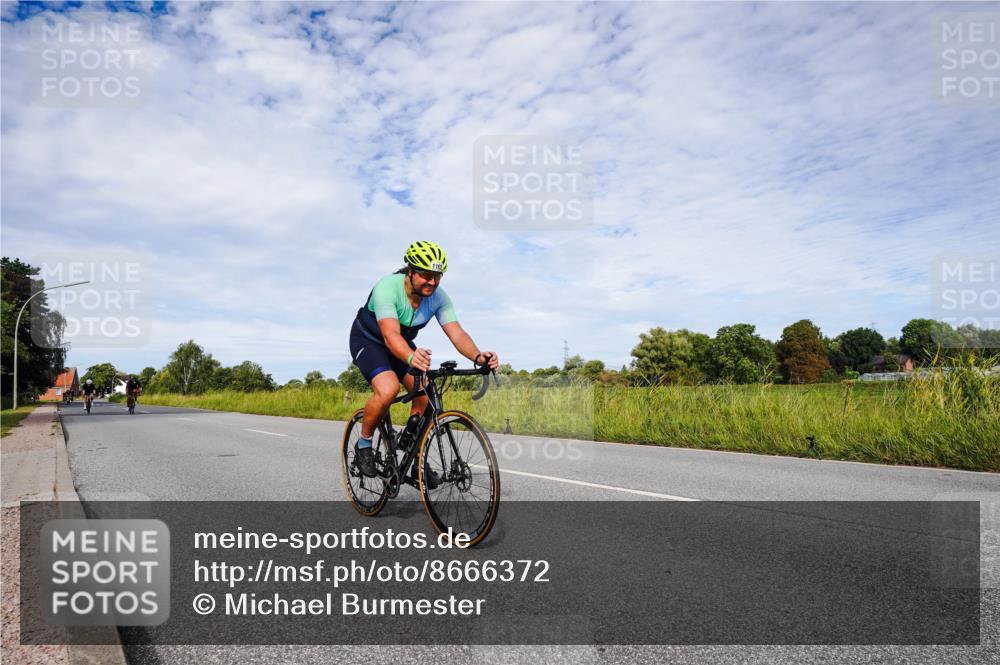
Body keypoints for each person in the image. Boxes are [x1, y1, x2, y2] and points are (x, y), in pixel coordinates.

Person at [349, 241, 499, 484]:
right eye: (426, 276)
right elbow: (390, 335)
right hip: (370, 341)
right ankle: (364, 443)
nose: (432, 282)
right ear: (410, 271)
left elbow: (457, 333)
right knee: (388, 389)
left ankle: (414, 453)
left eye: (437, 276)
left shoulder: (438, 297)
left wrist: (478, 356)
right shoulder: (387, 288)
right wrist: (411, 356)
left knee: (426, 392)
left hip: (401, 344)